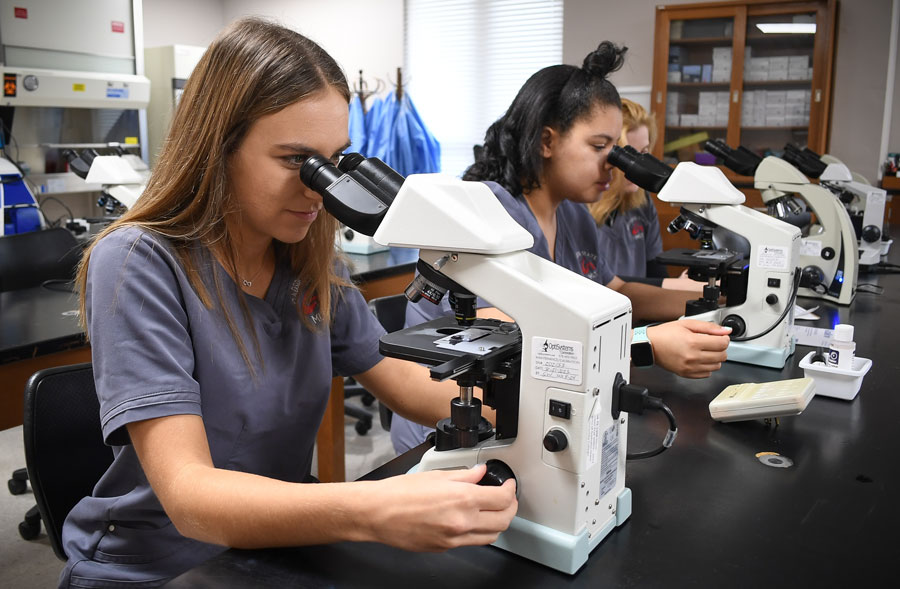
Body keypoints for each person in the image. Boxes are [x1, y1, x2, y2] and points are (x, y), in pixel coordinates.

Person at [60, 18, 516, 588]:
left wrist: (556, 391)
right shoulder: (138, 263)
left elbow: (416, 391)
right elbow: (190, 497)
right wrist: (373, 509)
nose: (317, 190)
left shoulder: (310, 270)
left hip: (271, 556)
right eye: (294, 161)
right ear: (219, 148)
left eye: (334, 163)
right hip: (157, 570)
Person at [391, 42, 731, 455]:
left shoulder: (574, 217)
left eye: (617, 150)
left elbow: (614, 291)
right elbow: (508, 334)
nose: (614, 164)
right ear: (548, 141)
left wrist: (702, 300)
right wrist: (645, 344)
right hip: (457, 420)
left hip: (530, 409)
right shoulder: (488, 214)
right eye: (599, 146)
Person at [588, 98, 704, 290]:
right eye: (629, 155)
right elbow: (601, 282)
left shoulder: (642, 203)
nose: (638, 167)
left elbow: (655, 271)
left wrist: (683, 287)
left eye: (643, 153)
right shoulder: (579, 209)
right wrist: (676, 285)